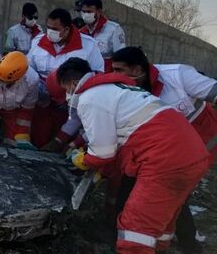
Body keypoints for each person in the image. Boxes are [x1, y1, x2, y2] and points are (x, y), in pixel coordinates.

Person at [58, 57, 209, 254]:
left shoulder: (90, 98)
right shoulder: (117, 90)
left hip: (165, 159)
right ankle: (159, 248)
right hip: (191, 154)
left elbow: (103, 153)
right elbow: (121, 138)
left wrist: (82, 159)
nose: (66, 95)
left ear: (74, 84)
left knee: (135, 230)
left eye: (65, 89)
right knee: (161, 221)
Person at [112, 46, 217, 253]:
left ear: (136, 69)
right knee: (142, 187)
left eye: (119, 70)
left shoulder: (177, 74)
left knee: (177, 194)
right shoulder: (128, 89)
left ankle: (189, 244)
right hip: (163, 149)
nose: (114, 75)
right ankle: (153, 236)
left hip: (202, 140)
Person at [27, 8, 104, 148]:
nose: (50, 32)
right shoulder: (38, 42)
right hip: (42, 102)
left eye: (55, 29)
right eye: (48, 27)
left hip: (70, 104)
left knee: (63, 142)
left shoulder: (88, 45)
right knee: (38, 139)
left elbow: (97, 75)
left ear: (67, 29)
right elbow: (28, 70)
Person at [0, 52, 39, 149]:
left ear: (18, 79)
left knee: (15, 143)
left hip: (15, 110)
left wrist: (22, 136)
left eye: (4, 81)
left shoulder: (32, 80)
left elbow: (26, 111)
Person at [79, 0, 126, 72]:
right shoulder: (81, 32)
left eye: (89, 12)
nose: (86, 15)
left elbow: (121, 55)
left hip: (106, 76)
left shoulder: (113, 29)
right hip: (86, 75)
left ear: (99, 11)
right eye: (83, 12)